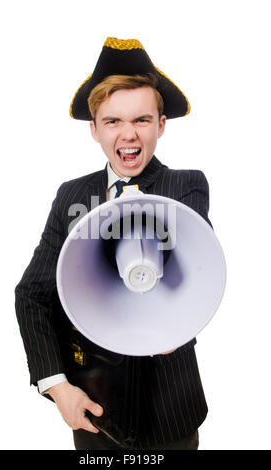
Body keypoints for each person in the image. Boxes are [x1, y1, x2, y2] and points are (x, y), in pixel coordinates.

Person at [15, 37, 212, 450]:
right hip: (94, 412)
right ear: (94, 129)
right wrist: (57, 387)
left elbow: (199, 270)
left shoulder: (186, 185)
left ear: (161, 124)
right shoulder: (72, 195)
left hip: (171, 415)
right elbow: (32, 294)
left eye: (142, 120)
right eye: (113, 121)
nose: (129, 135)